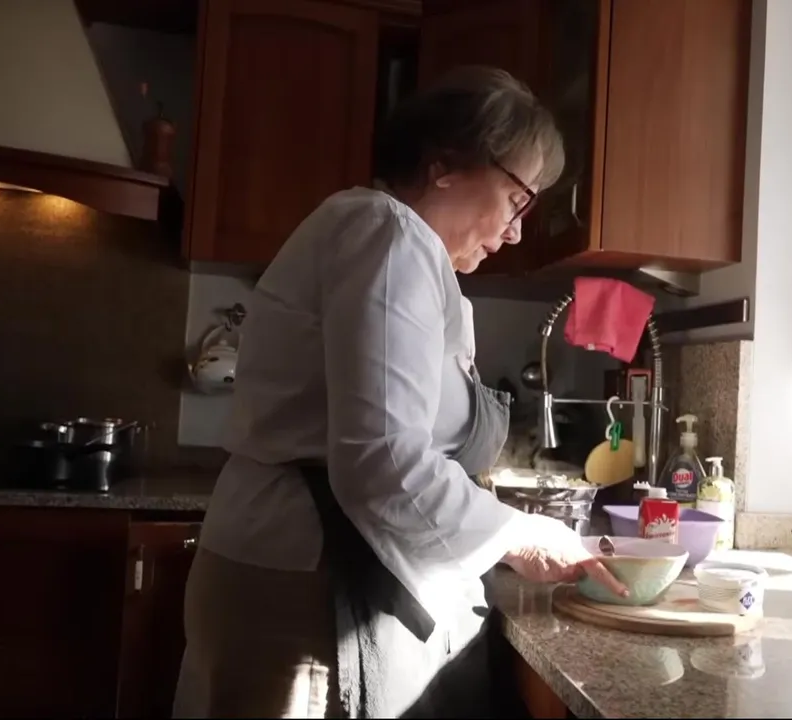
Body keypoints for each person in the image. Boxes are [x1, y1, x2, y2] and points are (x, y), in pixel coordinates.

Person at [171, 66, 629, 719]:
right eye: (517, 198)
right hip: (306, 584)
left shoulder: (401, 251)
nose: (517, 230)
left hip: (309, 570)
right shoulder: (388, 234)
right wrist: (517, 534)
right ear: (444, 166)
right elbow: (383, 462)